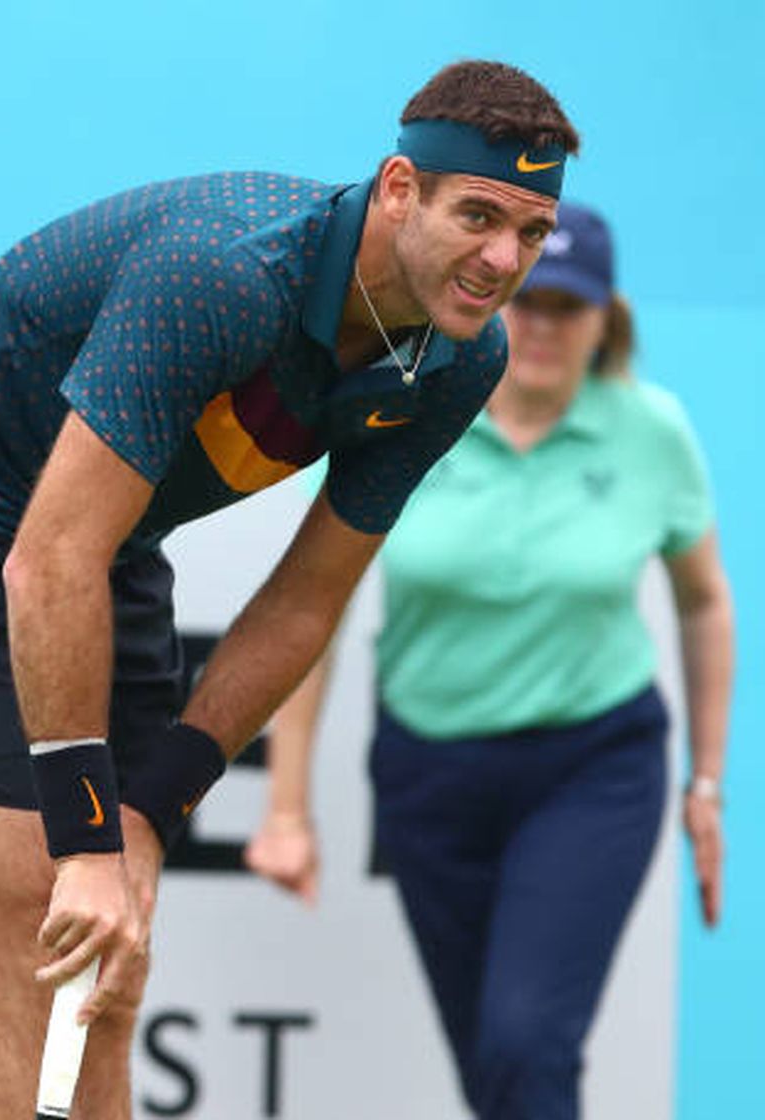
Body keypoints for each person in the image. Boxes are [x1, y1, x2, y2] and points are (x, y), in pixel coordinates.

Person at [0, 61, 579, 1119]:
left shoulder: (457, 360)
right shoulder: (225, 274)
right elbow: (46, 561)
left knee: (107, 972)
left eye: (532, 233)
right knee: (39, 933)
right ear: (400, 189)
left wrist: (150, 802)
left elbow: (307, 599)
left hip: (108, 542)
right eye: (480, 216)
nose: (504, 260)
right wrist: (88, 834)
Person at [246, 202, 735, 1119]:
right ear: (496, 298)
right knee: (494, 1067)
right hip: (430, 773)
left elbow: (704, 601)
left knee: (526, 1040)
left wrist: (705, 783)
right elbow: (313, 611)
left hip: (593, 766)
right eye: (531, 299)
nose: (545, 325)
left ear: (607, 320)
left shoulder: (651, 433)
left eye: (571, 306)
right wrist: (285, 806)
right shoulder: (408, 409)